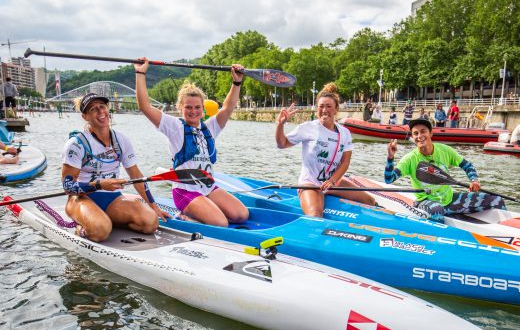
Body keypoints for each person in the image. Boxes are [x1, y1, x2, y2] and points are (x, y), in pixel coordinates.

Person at [135, 58, 248, 227]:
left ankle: (206, 209)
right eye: (188, 107)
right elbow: (145, 106)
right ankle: (185, 215)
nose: (193, 111)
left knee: (241, 215)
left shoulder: (210, 128)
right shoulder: (174, 127)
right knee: (221, 223)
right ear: (180, 107)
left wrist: (236, 82)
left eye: (197, 107)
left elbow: (228, 107)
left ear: (203, 110)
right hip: (184, 191)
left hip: (207, 188)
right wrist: (140, 73)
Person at [61, 93, 168, 242]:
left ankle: (106, 220)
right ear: (85, 116)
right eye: (93, 109)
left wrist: (154, 206)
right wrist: (99, 185)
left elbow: (136, 175)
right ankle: (85, 227)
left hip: (112, 199)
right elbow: (68, 186)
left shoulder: (121, 140)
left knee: (150, 223)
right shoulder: (76, 144)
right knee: (100, 231)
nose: (100, 112)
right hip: (81, 198)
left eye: (102, 107)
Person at [275, 82, 375, 217]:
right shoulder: (307, 127)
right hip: (310, 182)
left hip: (334, 182)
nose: (324, 110)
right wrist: (280, 125)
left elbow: (345, 162)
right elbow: (282, 144)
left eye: (329, 106)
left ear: (336, 109)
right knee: (315, 214)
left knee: (370, 201)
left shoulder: (344, 133)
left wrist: (333, 181)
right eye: (321, 106)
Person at [384, 118, 506, 222]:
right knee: (437, 210)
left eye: (423, 132)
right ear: (412, 137)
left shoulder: (444, 150)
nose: (419, 136)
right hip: (425, 202)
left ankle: (509, 234)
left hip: (449, 199)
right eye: (415, 133)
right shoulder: (409, 159)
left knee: (496, 200)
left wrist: (474, 180)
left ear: (431, 134)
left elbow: (467, 165)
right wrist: (390, 158)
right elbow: (389, 179)